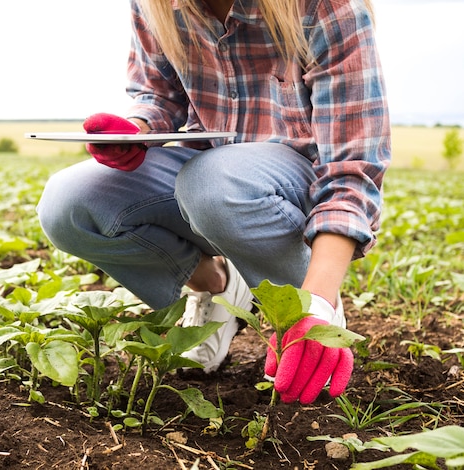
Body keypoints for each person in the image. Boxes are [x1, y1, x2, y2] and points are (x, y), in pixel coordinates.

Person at [37, 0, 390, 405]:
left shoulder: (324, 6)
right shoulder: (157, 5)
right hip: (205, 172)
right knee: (70, 203)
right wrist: (137, 128)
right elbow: (158, 93)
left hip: (292, 186)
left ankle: (307, 311)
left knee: (212, 183)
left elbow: (352, 168)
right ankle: (218, 290)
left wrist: (318, 304)